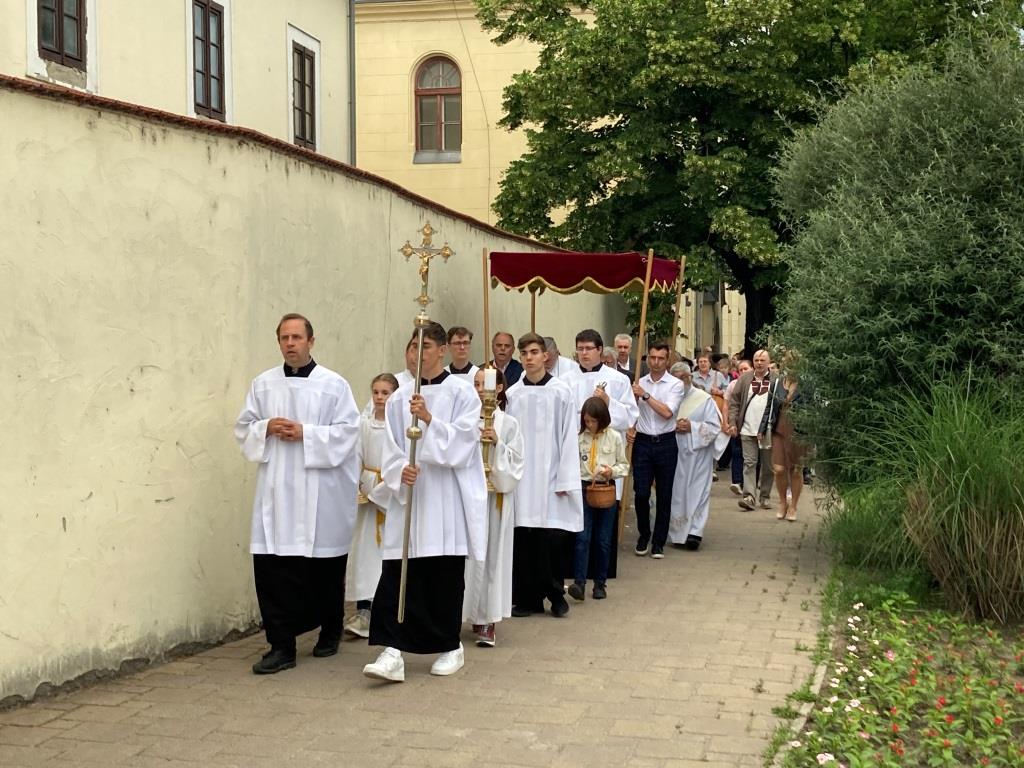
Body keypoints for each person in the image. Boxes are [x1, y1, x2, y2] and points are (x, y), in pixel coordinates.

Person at [235, 313, 361, 674]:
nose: (290, 344)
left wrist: (307, 433)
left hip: (319, 491)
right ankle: (281, 646)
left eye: (297, 337)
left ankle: (330, 629)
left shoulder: (333, 385)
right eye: (284, 338)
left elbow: (349, 432)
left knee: (323, 568)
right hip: (277, 491)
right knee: (274, 570)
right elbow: (243, 428)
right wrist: (265, 427)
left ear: (311, 341)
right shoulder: (263, 384)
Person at [362, 322, 487, 683]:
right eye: (413, 346)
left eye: (426, 346)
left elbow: (465, 443)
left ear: (443, 350)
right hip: (411, 499)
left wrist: (430, 419)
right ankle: (392, 651)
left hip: (445, 499)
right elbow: (390, 448)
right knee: (397, 575)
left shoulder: (462, 393)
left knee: (442, 576)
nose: (418, 353)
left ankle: (450, 645)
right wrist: (399, 471)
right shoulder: (399, 397)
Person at [505, 332, 582, 619]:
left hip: (551, 476)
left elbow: (568, 436)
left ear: (545, 356)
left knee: (550, 541)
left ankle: (555, 594)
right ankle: (529, 599)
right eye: (524, 353)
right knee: (525, 539)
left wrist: (565, 478)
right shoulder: (514, 394)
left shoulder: (561, 392)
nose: (529, 358)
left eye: (534, 352)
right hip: (523, 478)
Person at [462, 369, 524, 647]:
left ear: (499, 388)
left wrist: (497, 444)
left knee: (493, 558)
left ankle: (488, 619)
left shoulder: (508, 423)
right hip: (469, 497)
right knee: (468, 557)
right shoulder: (464, 421)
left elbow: (517, 462)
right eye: (476, 384)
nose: (479, 389)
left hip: (495, 498)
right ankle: (465, 613)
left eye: (484, 384)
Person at [344, 373, 399, 640]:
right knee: (365, 556)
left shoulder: (399, 427)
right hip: (367, 496)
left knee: (387, 556)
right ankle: (364, 611)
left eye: (385, 393)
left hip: (391, 495)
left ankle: (387, 612)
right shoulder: (363, 425)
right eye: (375, 392)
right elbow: (355, 456)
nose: (379, 397)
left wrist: (383, 491)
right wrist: (361, 485)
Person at [629, 342, 684, 559]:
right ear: (647, 359)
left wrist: (645, 396)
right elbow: (631, 412)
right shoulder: (639, 382)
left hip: (666, 442)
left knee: (664, 493)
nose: (656, 362)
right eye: (652, 357)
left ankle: (659, 541)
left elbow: (667, 412)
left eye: (661, 358)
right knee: (641, 492)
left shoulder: (675, 385)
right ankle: (644, 534)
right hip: (643, 443)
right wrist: (631, 427)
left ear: (667, 360)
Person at [569, 397, 628, 601]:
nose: (590, 425)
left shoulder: (614, 437)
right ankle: (579, 582)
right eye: (587, 421)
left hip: (605, 489)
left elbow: (624, 465)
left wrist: (611, 471)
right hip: (585, 487)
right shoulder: (579, 439)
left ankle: (600, 583)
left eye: (594, 421)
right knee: (582, 537)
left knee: (603, 539)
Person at [668, 363, 728, 551]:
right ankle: (678, 533)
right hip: (675, 453)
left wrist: (692, 427)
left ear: (689, 378)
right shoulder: (667, 398)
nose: (679, 383)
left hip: (698, 454)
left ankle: (695, 532)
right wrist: (673, 426)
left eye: (682, 378)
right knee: (677, 493)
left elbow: (714, 427)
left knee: (698, 492)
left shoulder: (703, 399)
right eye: (675, 379)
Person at [727, 349, 778, 512]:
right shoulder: (745, 379)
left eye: (763, 360)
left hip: (769, 430)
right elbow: (734, 402)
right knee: (749, 463)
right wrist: (732, 422)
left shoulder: (776, 379)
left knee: (768, 466)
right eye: (756, 360)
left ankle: (765, 496)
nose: (759, 363)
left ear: (769, 362)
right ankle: (749, 497)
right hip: (747, 429)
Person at [759, 363, 808, 522]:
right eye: (788, 365)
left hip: (799, 432)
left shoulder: (807, 385)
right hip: (779, 429)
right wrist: (762, 428)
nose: (791, 369)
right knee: (779, 469)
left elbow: (812, 409)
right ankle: (782, 502)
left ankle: (793, 506)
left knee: (796, 470)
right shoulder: (776, 384)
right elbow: (769, 407)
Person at [723, 359, 752, 495]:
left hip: (752, 424)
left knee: (751, 457)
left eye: (746, 369)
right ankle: (737, 482)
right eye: (741, 370)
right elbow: (726, 405)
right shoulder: (733, 385)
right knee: (737, 452)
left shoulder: (757, 384)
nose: (743, 372)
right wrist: (726, 422)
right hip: (737, 423)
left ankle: (750, 484)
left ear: (751, 369)